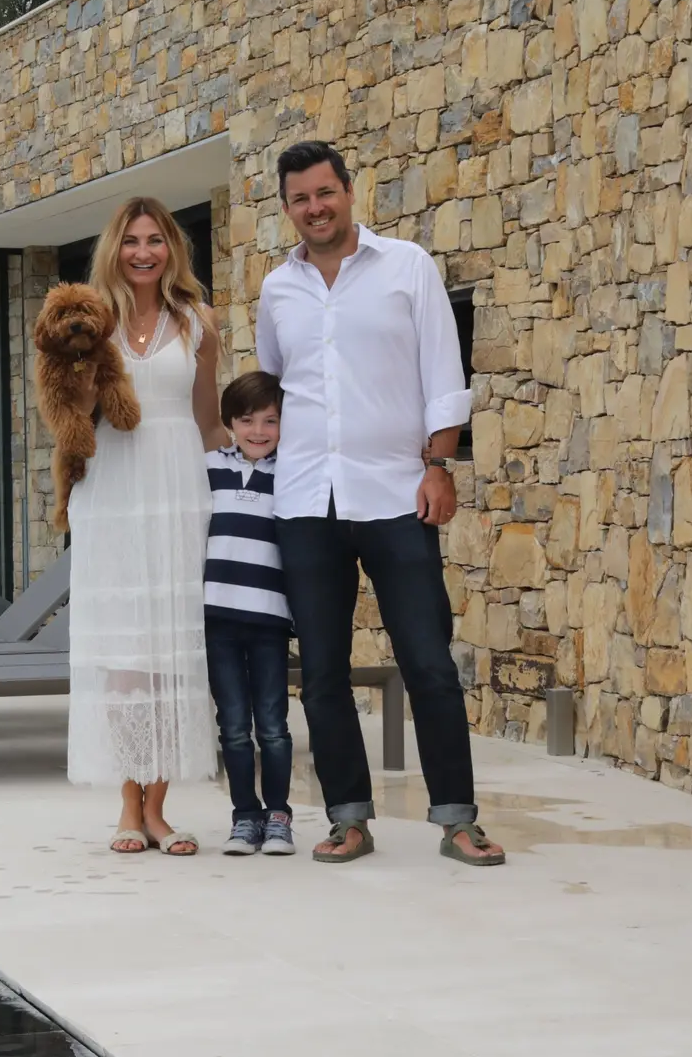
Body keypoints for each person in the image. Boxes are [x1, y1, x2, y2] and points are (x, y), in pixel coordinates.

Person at [256, 140, 506, 867]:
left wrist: (438, 464)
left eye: (325, 192)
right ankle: (349, 820)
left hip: (397, 493)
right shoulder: (278, 291)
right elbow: (275, 391)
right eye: (300, 198)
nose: (315, 208)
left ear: (348, 191)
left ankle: (458, 819)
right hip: (305, 500)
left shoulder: (407, 268)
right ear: (287, 207)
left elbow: (444, 372)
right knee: (324, 672)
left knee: (427, 660)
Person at [64, 196, 223, 856]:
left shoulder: (198, 322)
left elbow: (209, 419)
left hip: (181, 491)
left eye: (155, 240)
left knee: (171, 659)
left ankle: (159, 809)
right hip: (114, 493)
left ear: (172, 249)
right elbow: (65, 408)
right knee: (124, 662)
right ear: (114, 248)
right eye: (131, 240)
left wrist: (244, 486)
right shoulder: (89, 323)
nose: (143, 252)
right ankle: (127, 806)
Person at [203, 371, 296, 856]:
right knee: (234, 727)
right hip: (217, 617)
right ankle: (245, 816)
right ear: (229, 423)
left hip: (269, 619)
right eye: (247, 420)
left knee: (274, 725)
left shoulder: (292, 473)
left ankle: (278, 815)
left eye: (270, 420)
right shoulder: (208, 468)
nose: (258, 430)